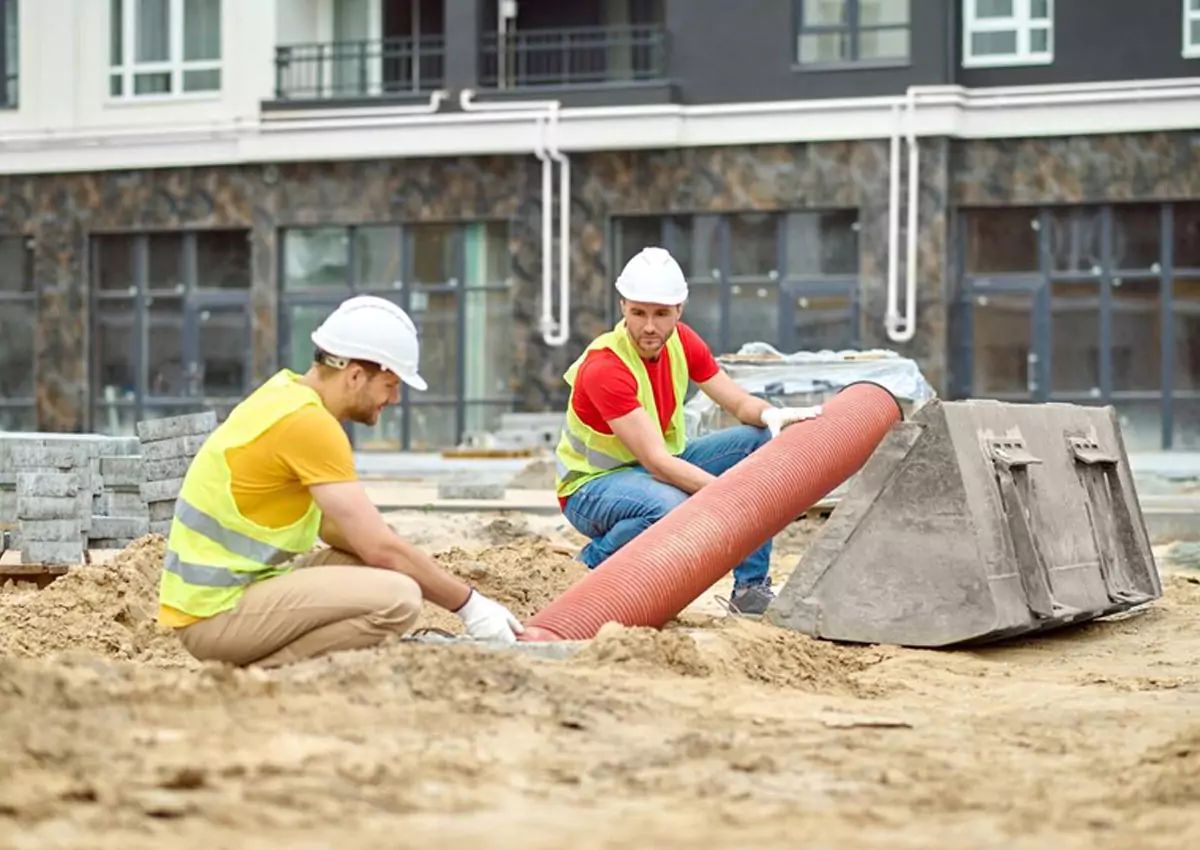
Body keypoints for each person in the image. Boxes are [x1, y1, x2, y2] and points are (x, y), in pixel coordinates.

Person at [158, 295, 524, 668]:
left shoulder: (283, 394)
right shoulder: (308, 424)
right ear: (354, 376)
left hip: (229, 596)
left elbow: (340, 531)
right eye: (390, 384)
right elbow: (382, 548)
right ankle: (263, 672)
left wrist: (393, 550)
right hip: (215, 615)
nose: (395, 398)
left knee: (379, 567)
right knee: (397, 598)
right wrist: (471, 605)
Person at [555, 247, 822, 615]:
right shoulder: (606, 366)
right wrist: (737, 498)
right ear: (623, 308)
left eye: (661, 314)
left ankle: (750, 590)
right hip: (591, 487)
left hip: (655, 466)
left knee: (759, 441)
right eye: (639, 313)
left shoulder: (683, 341)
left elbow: (739, 405)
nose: (649, 326)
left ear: (679, 309)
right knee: (672, 508)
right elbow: (657, 464)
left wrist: (770, 414)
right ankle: (591, 561)